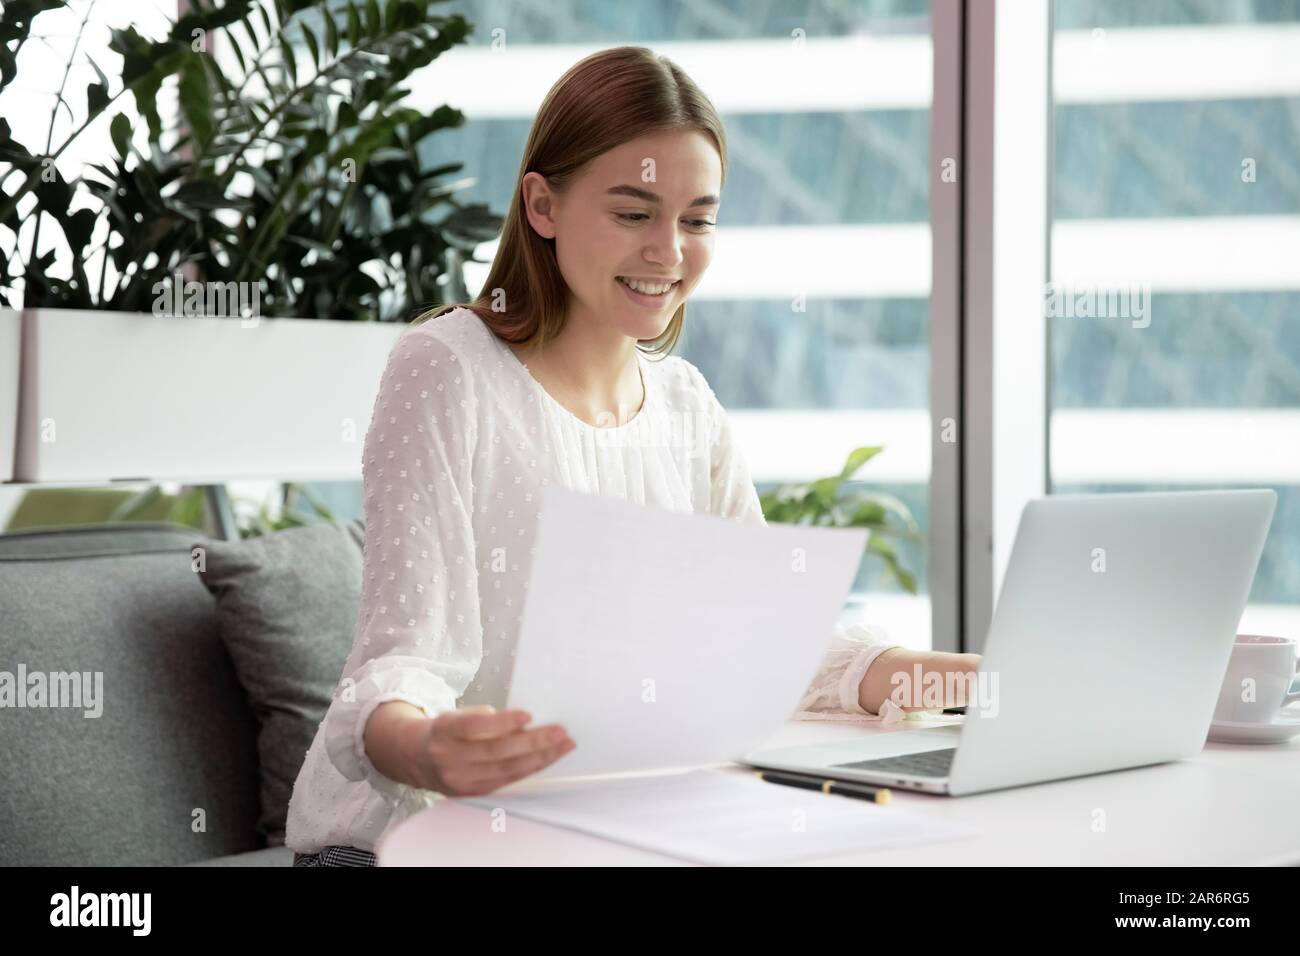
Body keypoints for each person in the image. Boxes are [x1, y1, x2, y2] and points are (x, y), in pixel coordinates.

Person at [286, 45, 978, 867]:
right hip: (403, 842)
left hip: (609, 833)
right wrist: (428, 749)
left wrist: (965, 680)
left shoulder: (685, 405)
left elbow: (770, 644)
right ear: (542, 205)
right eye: (633, 212)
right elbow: (402, 662)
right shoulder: (447, 368)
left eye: (697, 220)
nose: (670, 252)